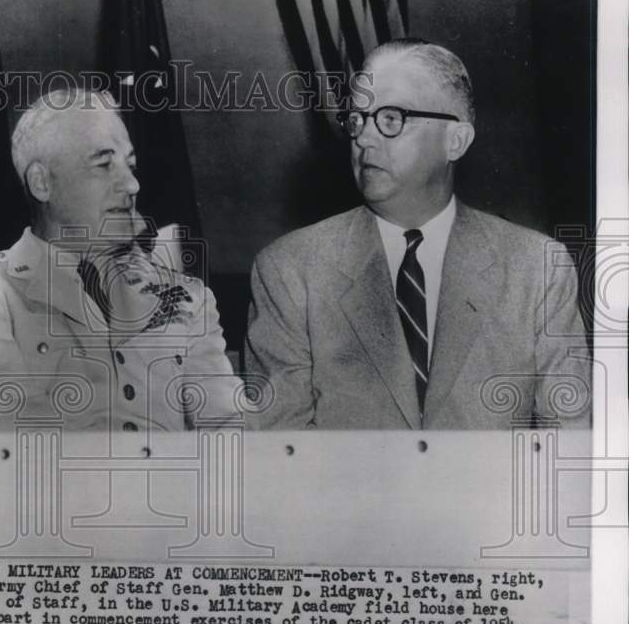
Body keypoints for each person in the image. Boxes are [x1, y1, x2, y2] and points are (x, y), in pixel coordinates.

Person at [244, 39, 591, 429]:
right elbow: (278, 452)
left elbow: (567, 446)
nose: (363, 138)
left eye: (390, 119)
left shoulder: (536, 268)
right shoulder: (290, 270)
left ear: (455, 141)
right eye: (357, 120)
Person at [0, 88, 241, 431]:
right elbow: (8, 436)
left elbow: (232, 433)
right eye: (104, 164)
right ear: (41, 183)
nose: (132, 184)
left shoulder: (185, 295)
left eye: (131, 165)